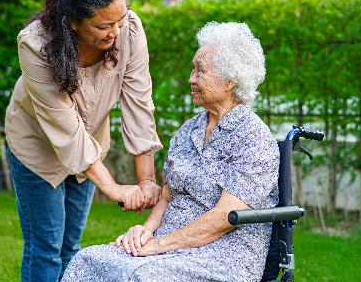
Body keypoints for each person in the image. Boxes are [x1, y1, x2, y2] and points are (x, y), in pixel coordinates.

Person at [61, 22, 280, 282]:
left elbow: (226, 217)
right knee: (87, 260)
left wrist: (160, 244)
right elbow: (167, 196)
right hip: (169, 245)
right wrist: (145, 232)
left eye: (200, 71)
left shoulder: (252, 137)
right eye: (193, 68)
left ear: (231, 81)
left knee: (143, 275)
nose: (191, 78)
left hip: (222, 254)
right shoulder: (190, 130)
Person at [4, 0, 163, 282]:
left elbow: (138, 104)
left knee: (71, 248)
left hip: (90, 147)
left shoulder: (128, 30)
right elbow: (65, 127)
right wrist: (113, 188)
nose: (116, 31)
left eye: (120, 19)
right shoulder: (35, 44)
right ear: (73, 22)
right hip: (37, 149)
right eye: (104, 25)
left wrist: (146, 181)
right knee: (46, 248)